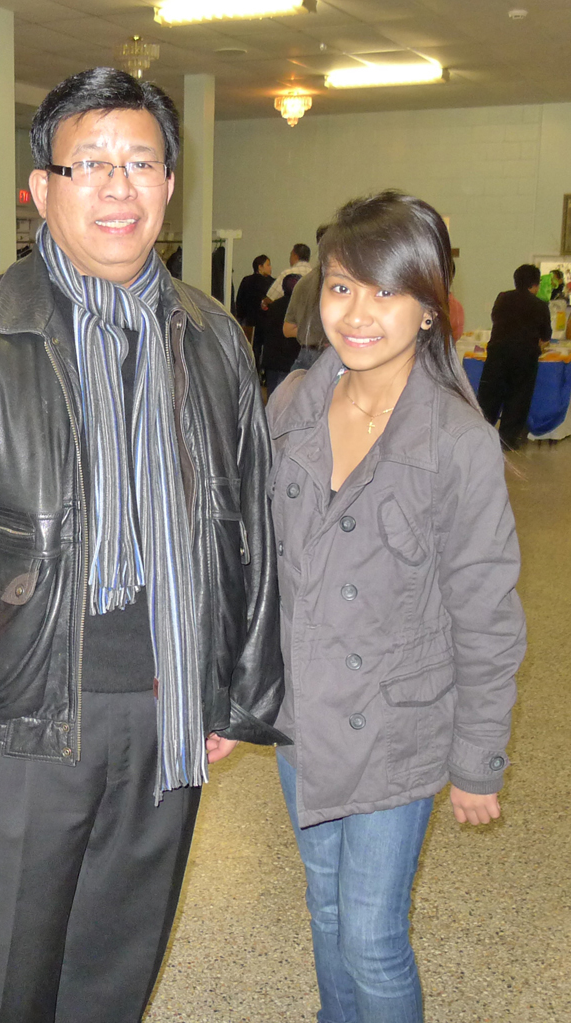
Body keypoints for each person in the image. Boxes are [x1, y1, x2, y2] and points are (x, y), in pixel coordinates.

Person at [0, 67, 287, 1023]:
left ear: (170, 183)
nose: (117, 187)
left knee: (114, 970)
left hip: (168, 709)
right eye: (89, 163)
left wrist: (236, 687)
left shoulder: (214, 338)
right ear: (41, 187)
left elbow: (248, 528)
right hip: (19, 714)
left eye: (140, 163)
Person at [267, 190, 525, 1023]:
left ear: (429, 308)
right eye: (342, 287)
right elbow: (259, 569)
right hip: (303, 718)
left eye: (386, 291)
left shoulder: (457, 440)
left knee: (372, 935)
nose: (358, 313)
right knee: (325, 908)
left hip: (396, 726)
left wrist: (477, 757)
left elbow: (486, 613)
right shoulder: (292, 406)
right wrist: (234, 697)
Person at [476, 263, 552, 449]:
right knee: (518, 397)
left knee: (489, 395)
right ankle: (507, 440)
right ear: (535, 285)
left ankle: (480, 434)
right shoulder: (540, 305)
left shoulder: (502, 298)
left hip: (498, 352)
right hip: (524, 356)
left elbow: (495, 318)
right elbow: (546, 336)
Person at [284, 225, 329, 372]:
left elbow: (287, 328)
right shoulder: (341, 283)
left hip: (304, 356)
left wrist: (308, 333)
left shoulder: (303, 282)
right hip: (328, 356)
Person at [260, 272, 301, 395]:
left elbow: (265, 330)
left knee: (272, 397)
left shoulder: (273, 306)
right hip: (291, 361)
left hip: (272, 359)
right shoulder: (300, 308)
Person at [234, 253, 274, 364]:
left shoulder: (246, 281)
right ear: (260, 267)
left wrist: (240, 317)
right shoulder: (272, 283)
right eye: (268, 265)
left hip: (249, 322)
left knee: (251, 351)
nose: (270, 268)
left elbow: (240, 301)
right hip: (267, 322)